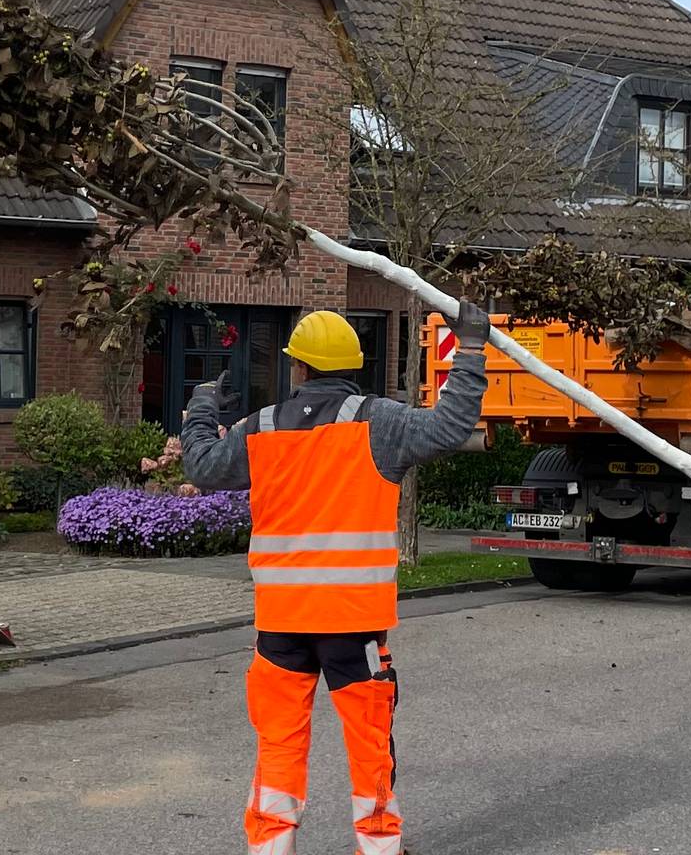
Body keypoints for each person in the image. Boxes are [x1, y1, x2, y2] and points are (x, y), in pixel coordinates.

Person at [182, 304, 491, 855]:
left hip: (281, 624)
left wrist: (201, 405)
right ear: (354, 367)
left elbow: (202, 466)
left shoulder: (264, 427)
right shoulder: (380, 424)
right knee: (369, 745)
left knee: (279, 742)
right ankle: (377, 848)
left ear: (298, 368)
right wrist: (468, 350)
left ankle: (271, 848)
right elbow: (451, 426)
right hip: (353, 624)